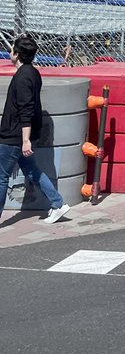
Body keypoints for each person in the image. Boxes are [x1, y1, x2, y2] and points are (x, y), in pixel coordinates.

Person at [0, 33, 69, 224]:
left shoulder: (23, 77)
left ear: (18, 54)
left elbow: (25, 110)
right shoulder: (33, 72)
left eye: (12, 48)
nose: (9, 51)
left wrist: (25, 140)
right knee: (32, 171)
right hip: (22, 135)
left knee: (1, 176)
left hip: (14, 136)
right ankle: (57, 203)